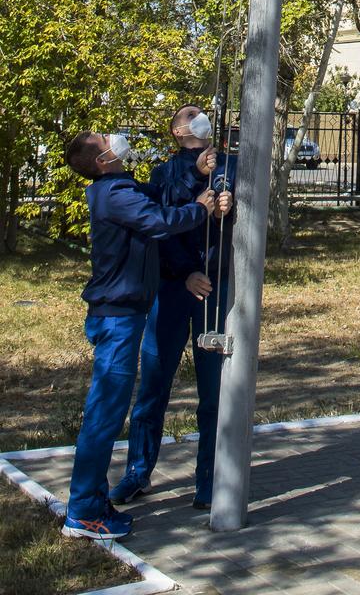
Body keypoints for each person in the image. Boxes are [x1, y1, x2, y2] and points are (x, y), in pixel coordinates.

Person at [61, 131, 214, 539]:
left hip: (123, 316)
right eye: (105, 140)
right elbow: (160, 221)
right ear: (102, 159)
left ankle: (94, 502)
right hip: (118, 319)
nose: (115, 138)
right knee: (104, 417)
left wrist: (195, 176)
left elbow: (161, 197)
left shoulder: (117, 187)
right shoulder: (114, 194)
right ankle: (82, 513)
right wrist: (200, 208)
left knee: (106, 415)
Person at [111, 105, 234, 510]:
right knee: (154, 386)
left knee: (213, 390)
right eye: (191, 114)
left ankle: (209, 478)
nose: (201, 116)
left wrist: (230, 205)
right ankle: (138, 473)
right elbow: (162, 220)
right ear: (178, 130)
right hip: (175, 287)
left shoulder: (231, 164)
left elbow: (247, 218)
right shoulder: (166, 172)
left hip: (214, 287)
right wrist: (184, 273)